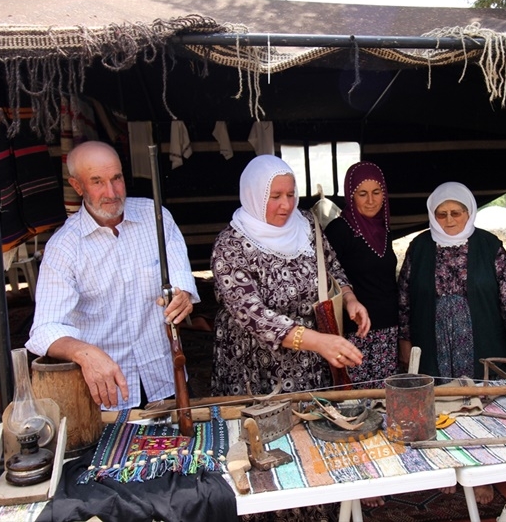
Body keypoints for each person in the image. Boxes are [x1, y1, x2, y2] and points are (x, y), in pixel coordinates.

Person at [27, 141, 199, 411]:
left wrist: (183, 294)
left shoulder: (156, 216)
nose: (112, 192)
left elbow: (180, 275)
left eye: (116, 178)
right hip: (108, 393)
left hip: (166, 378)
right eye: (97, 182)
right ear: (77, 186)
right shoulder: (64, 247)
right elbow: (45, 328)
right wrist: (84, 353)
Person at [398, 181, 506, 505]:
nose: (449, 220)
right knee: (439, 403)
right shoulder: (419, 247)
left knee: (480, 404)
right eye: (442, 214)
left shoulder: (489, 246)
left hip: (481, 335)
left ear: (469, 212)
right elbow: (404, 299)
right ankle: (446, 467)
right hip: (432, 337)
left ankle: (483, 473)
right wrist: (405, 342)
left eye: (456, 212)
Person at [210, 154, 368, 399]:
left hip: (310, 361)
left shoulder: (306, 224)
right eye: (275, 197)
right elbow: (252, 314)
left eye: (291, 194)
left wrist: (349, 298)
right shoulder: (231, 246)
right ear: (254, 194)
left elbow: (331, 266)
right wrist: (319, 342)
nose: (286, 205)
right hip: (256, 366)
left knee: (312, 417)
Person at [325, 161, 399, 388]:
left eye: (376, 192)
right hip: (356, 331)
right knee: (356, 398)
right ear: (351, 196)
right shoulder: (339, 230)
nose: (371, 200)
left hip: (388, 330)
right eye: (362, 194)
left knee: (385, 398)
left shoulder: (384, 229)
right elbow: (328, 275)